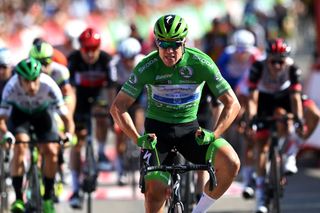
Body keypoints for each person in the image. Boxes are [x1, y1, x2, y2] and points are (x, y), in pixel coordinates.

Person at [110, 14, 241, 213]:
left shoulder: (200, 62)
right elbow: (118, 107)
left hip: (190, 131)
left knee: (231, 163)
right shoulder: (148, 66)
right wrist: (137, 139)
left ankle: (199, 210)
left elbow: (232, 103)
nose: (169, 51)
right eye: (163, 44)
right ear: (156, 43)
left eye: (175, 45)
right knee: (155, 195)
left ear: (184, 43)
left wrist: (214, 133)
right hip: (157, 134)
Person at [0, 58, 75, 213]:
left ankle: (47, 197)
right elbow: (2, 119)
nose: (32, 86)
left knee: (52, 150)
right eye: (27, 81)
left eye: (35, 80)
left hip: (43, 114)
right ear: (19, 78)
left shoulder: (49, 85)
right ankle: (19, 199)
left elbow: (66, 118)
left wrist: (69, 134)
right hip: (21, 116)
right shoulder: (11, 87)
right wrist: (6, 134)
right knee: (20, 147)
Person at [247, 38, 304, 213]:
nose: (278, 66)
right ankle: (261, 194)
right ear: (267, 59)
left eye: (281, 61)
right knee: (261, 145)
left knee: (288, 120)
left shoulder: (293, 69)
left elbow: (295, 97)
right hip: (263, 99)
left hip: (283, 97)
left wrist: (299, 118)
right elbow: (253, 97)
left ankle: (288, 155)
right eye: (274, 61)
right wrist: (252, 118)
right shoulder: (258, 67)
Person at [67, 27, 113, 208]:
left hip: (99, 94)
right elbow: (70, 90)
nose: (91, 53)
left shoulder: (106, 60)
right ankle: (75, 189)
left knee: (101, 116)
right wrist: (71, 118)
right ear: (81, 49)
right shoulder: (73, 60)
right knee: (77, 143)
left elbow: (110, 89)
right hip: (80, 97)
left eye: (95, 48)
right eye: (87, 49)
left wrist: (111, 114)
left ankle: (100, 152)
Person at [109, 37, 145, 186]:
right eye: (124, 59)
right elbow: (112, 91)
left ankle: (139, 136)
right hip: (121, 94)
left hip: (139, 95)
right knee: (119, 132)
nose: (127, 63)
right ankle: (121, 169)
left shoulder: (142, 62)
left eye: (130, 59)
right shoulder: (114, 64)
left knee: (139, 113)